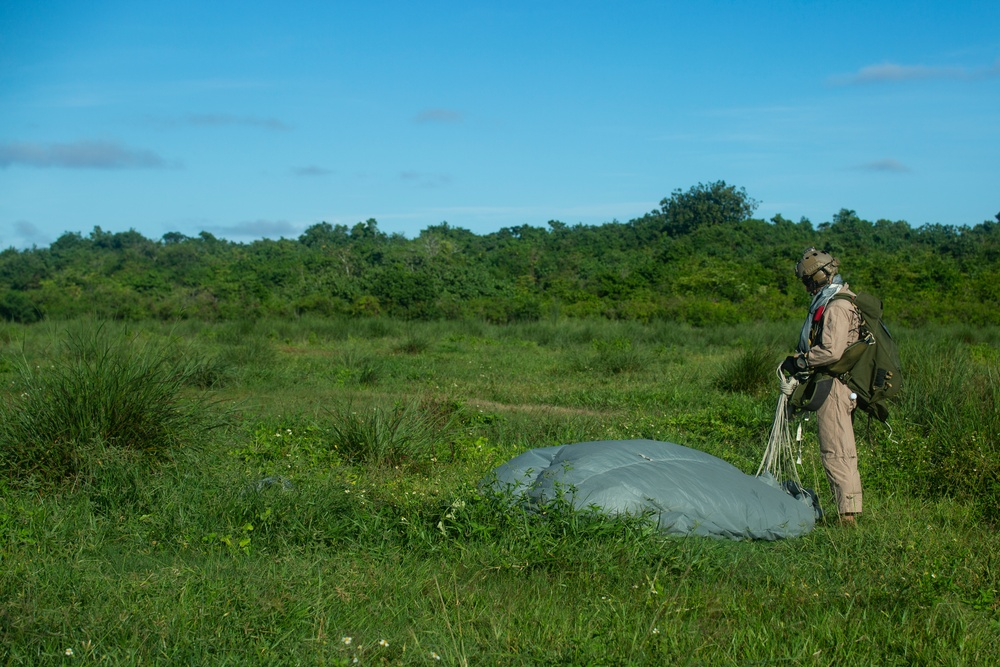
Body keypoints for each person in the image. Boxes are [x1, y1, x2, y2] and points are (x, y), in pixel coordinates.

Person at [782, 247, 863, 525]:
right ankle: (847, 511)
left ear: (820, 276)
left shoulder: (838, 305)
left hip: (837, 385)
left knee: (837, 449)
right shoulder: (827, 300)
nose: (806, 287)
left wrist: (801, 361)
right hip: (832, 382)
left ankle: (847, 516)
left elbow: (831, 351)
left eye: (808, 281)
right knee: (839, 448)